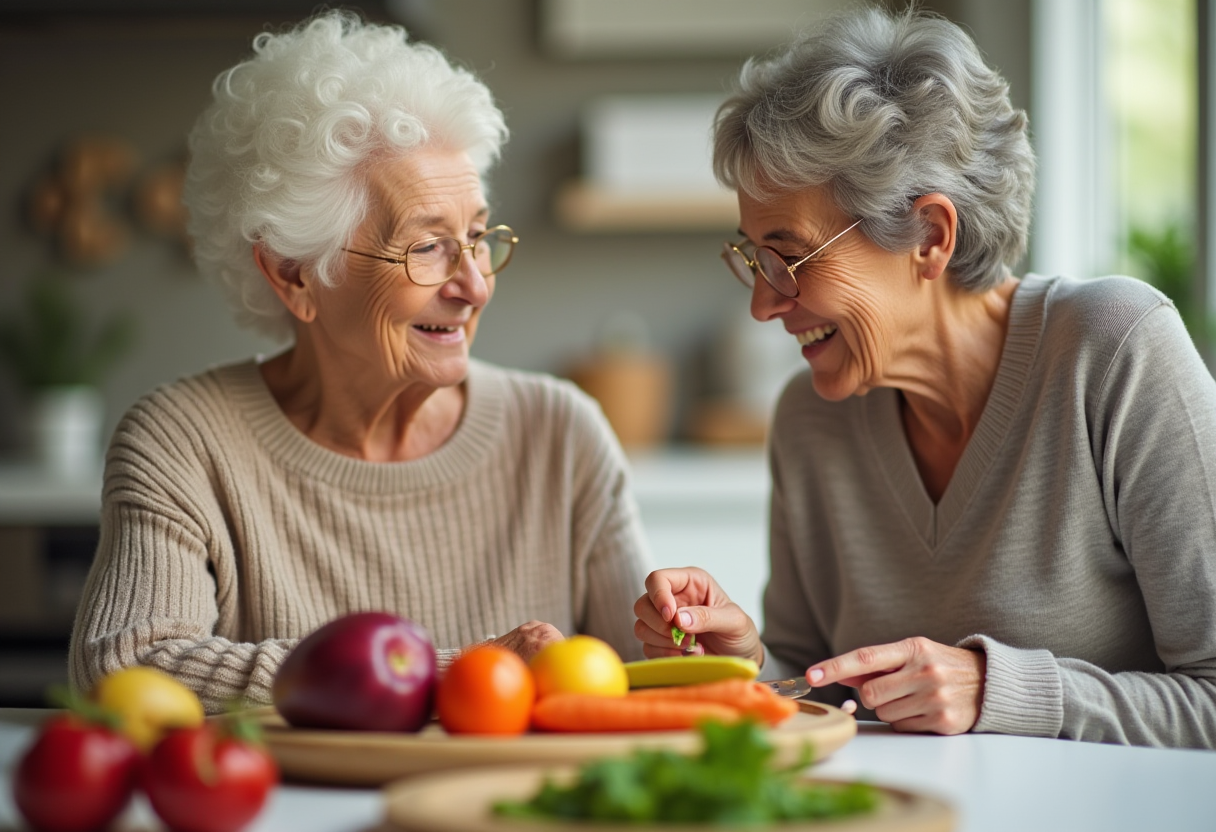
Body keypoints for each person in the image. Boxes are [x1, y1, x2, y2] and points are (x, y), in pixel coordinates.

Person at [634, 6, 1216, 747]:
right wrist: (745, 663)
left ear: (930, 237)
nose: (761, 302)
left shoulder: (1114, 352)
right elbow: (822, 683)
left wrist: (1001, 691)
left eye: (789, 256)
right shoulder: (812, 418)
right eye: (752, 256)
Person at [69, 10, 651, 713]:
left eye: (477, 236)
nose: (475, 285)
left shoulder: (561, 432)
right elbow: (127, 669)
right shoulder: (183, 441)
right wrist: (458, 674)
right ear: (294, 275)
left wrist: (715, 650)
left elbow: (646, 676)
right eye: (428, 247)